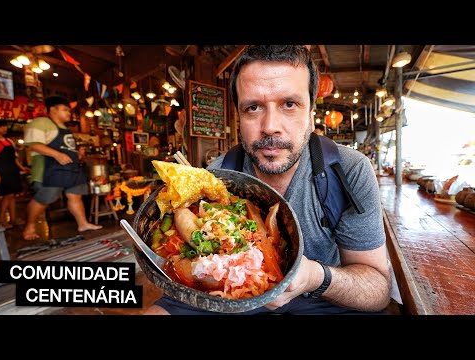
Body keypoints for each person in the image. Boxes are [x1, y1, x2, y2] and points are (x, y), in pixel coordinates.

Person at [145, 45, 391, 315]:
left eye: (289, 104)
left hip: (323, 300)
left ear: (311, 114)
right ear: (238, 117)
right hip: (231, 299)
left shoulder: (346, 170)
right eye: (253, 107)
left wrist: (314, 276)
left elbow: (378, 291)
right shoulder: (214, 177)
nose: (270, 125)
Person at [22, 96, 102, 241]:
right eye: (65, 109)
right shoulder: (41, 122)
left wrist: (77, 154)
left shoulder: (65, 129)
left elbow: (65, 147)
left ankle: (83, 224)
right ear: (53, 109)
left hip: (70, 169)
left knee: (75, 194)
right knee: (44, 198)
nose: (68, 113)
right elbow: (33, 144)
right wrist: (56, 154)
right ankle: (30, 226)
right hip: (49, 169)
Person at [0, 120, 30, 228]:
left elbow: (15, 158)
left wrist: (22, 167)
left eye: (5, 126)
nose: (4, 128)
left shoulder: (9, 141)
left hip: (12, 171)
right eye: (1, 127)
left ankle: (13, 219)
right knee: (8, 195)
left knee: (13, 195)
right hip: (1, 171)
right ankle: (1, 220)